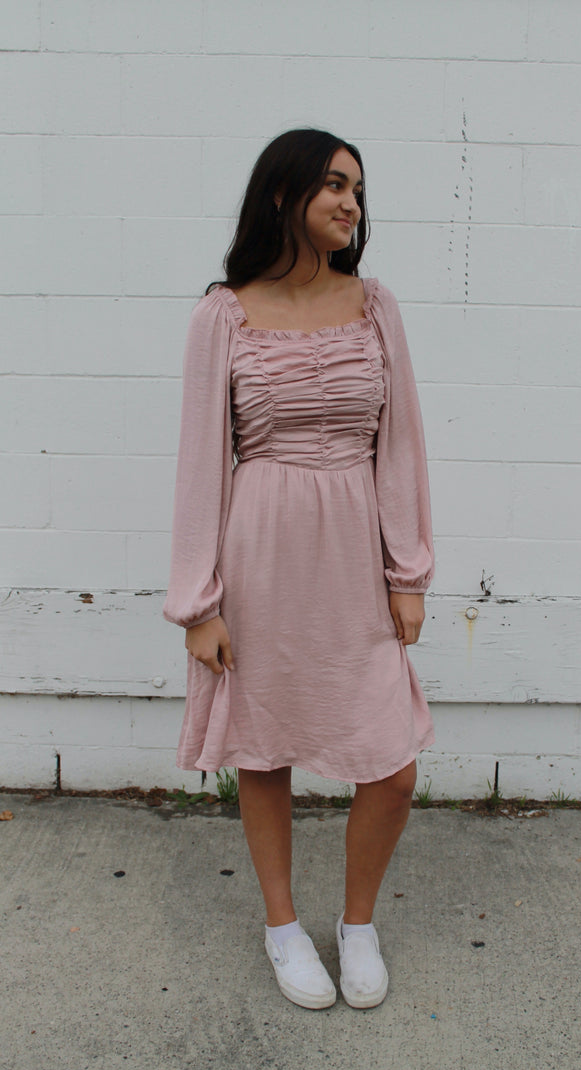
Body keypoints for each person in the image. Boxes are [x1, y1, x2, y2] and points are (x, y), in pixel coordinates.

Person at [163, 129, 434, 1011]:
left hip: (355, 556)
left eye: (357, 187)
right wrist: (200, 602)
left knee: (390, 765)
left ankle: (358, 923)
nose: (350, 202)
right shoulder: (224, 313)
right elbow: (202, 462)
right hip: (262, 556)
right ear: (282, 196)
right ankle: (283, 927)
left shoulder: (375, 304)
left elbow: (402, 447)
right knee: (264, 745)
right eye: (331, 184)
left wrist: (408, 572)